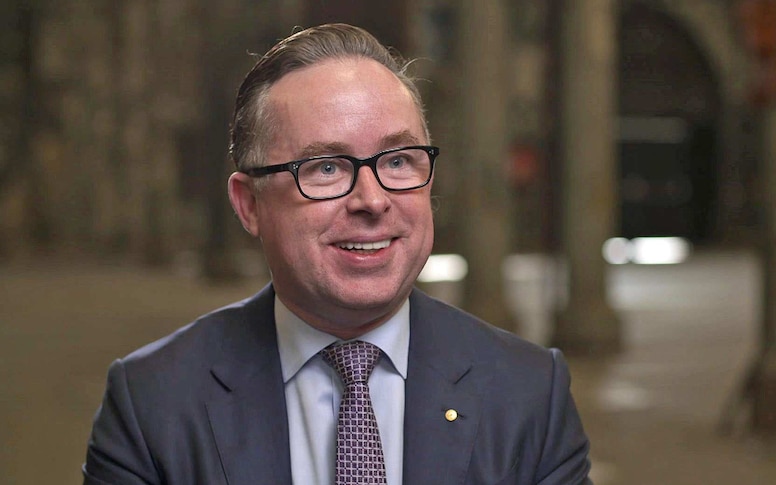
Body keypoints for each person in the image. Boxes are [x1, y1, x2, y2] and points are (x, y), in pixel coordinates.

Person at [82, 23, 592, 484]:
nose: (372, 200)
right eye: (326, 167)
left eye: (397, 161)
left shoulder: (531, 393)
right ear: (249, 204)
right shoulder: (152, 402)